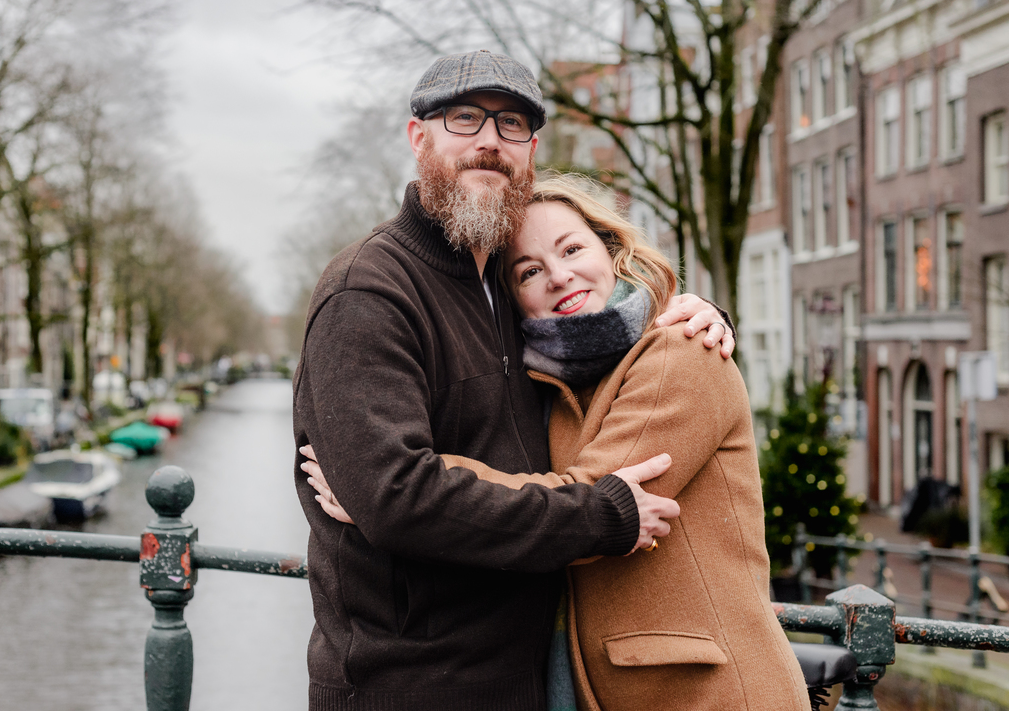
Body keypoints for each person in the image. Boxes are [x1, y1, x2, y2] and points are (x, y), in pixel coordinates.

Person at [293, 49, 734, 711]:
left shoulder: (506, 287)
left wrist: (690, 311)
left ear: (531, 152)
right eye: (465, 119)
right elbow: (397, 495)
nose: (490, 143)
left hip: (525, 682)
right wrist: (599, 516)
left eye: (512, 125)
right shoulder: (369, 290)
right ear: (419, 137)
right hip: (408, 690)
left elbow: (597, 351)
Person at [310, 175, 807, 710]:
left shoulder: (683, 352)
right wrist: (382, 479)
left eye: (572, 248)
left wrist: (390, 483)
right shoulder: (547, 386)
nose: (559, 274)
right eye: (529, 271)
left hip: (712, 691)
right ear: (511, 300)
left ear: (612, 248)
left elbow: (599, 495)